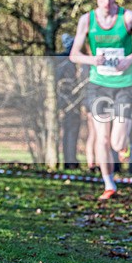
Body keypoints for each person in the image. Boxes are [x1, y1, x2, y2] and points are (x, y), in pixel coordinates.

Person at [69, 0, 132, 200]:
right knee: (102, 138)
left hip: (124, 84)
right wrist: (92, 60)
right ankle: (109, 185)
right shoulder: (87, 20)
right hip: (99, 85)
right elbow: (74, 55)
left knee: (117, 142)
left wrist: (131, 58)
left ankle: (124, 145)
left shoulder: (127, 17)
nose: (107, 2)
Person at [57, 33, 81, 169]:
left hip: (69, 102)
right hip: (69, 102)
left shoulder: (61, 60)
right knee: (70, 131)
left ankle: (70, 160)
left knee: (69, 131)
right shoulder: (68, 61)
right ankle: (70, 161)